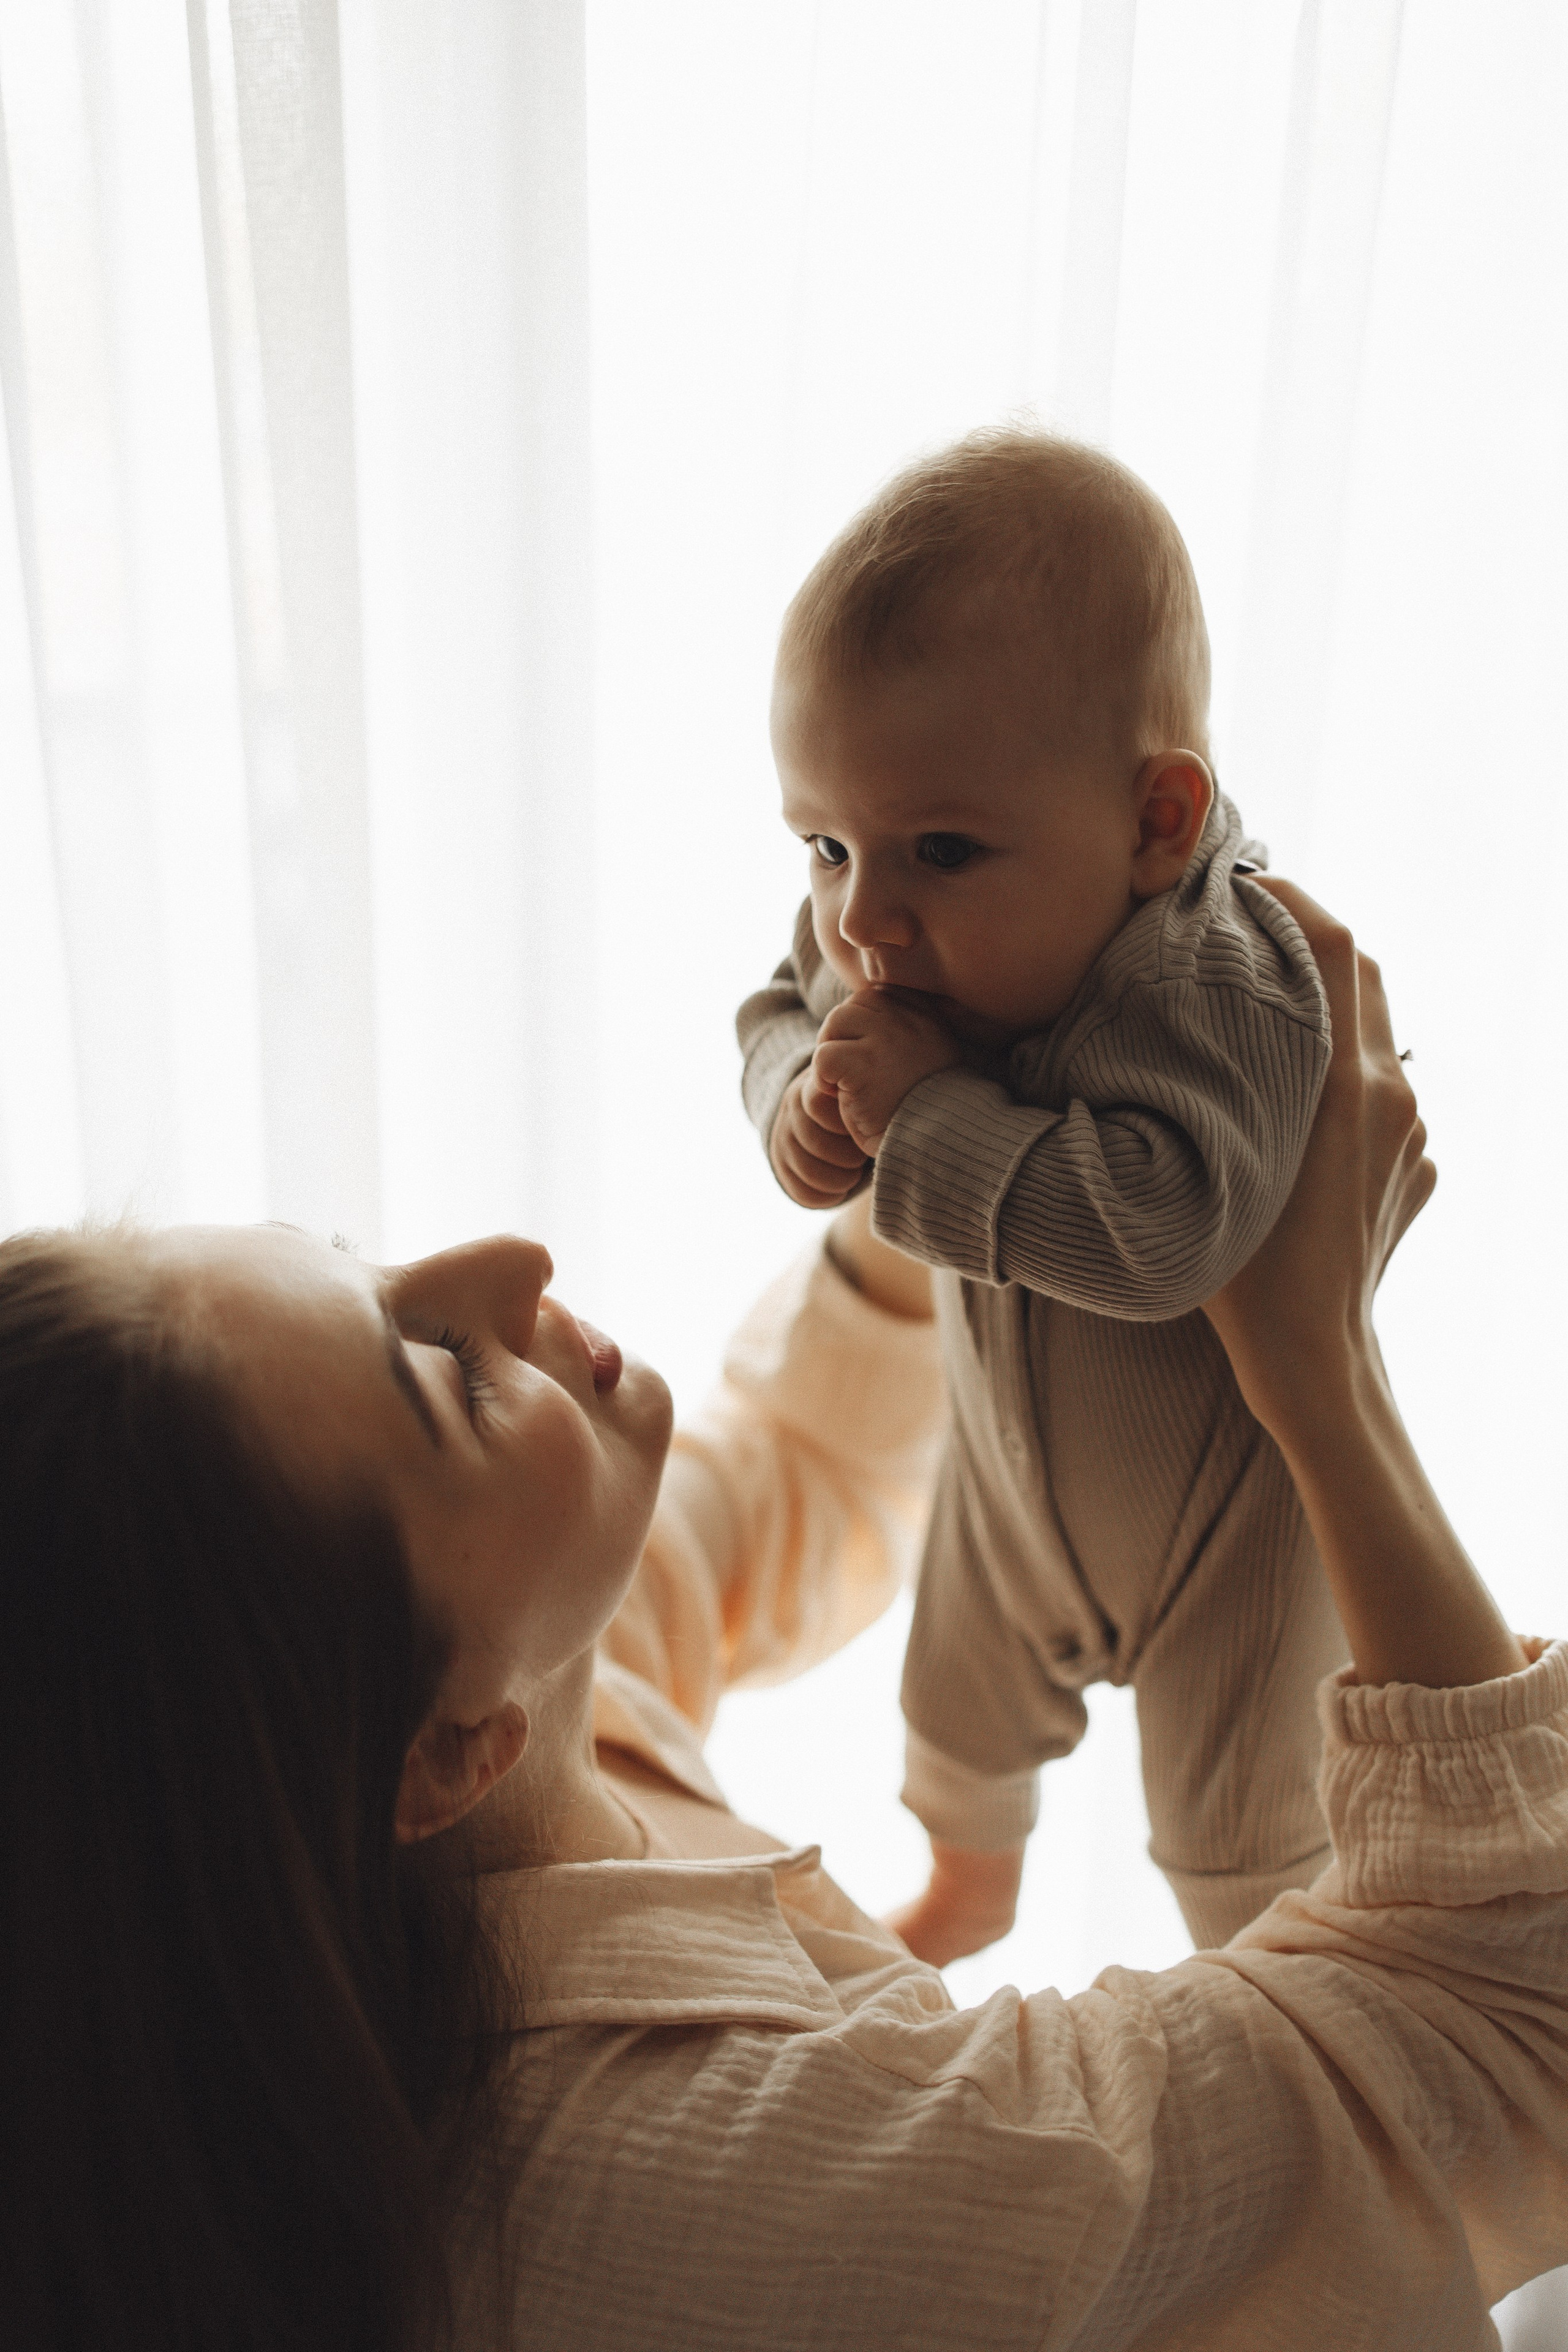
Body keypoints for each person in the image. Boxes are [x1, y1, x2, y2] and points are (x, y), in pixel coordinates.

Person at [4, 890, 1567, 2352]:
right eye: (440, 1374)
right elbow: (1497, 2042)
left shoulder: (490, 1765)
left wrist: (971, 1144)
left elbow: (775, 1479)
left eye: (351, 1253)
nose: (511, 1257)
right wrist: (1316, 1373)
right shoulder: (722, 2180)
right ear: (434, 1753)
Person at [737, 429, 1341, 1962]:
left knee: (1243, 1842)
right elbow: (774, 1008)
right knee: (951, 1708)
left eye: (937, 849)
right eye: (823, 842)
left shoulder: (1225, 979)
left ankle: (1252, 1989)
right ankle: (965, 1891)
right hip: (1007, 1495)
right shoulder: (889, 924)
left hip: (1225, 1530)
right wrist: (798, 1109)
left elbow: (1160, 1232)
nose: (861, 916)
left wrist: (921, 1121)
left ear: (1154, 821)